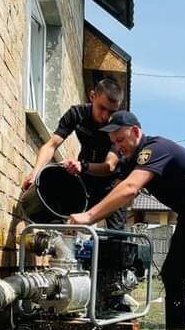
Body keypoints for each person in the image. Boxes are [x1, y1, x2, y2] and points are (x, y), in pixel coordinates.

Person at [66, 111, 185, 330]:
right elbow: (111, 176)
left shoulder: (155, 149)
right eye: (114, 143)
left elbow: (129, 189)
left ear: (135, 132)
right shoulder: (132, 161)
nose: (118, 147)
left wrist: (88, 217)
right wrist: (83, 167)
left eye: (121, 140)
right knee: (172, 275)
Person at [22, 78, 127, 230]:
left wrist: (82, 166)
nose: (105, 116)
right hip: (85, 179)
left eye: (111, 111)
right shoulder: (77, 114)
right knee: (67, 219)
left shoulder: (117, 126)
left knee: (116, 238)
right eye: (102, 108)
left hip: (112, 185)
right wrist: (35, 172)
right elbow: (51, 145)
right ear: (92, 96)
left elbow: (109, 166)